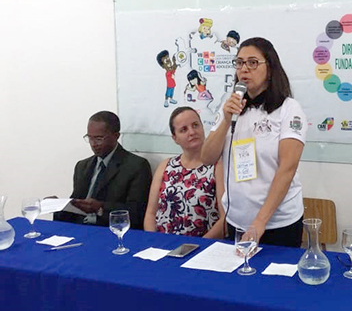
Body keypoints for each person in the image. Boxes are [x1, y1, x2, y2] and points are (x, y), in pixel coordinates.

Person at [200, 37, 307, 247]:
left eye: (253, 62)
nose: (244, 69)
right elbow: (207, 158)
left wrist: (259, 223)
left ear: (270, 69)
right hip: (236, 220)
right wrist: (226, 119)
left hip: (277, 223)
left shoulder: (288, 109)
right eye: (239, 63)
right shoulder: (231, 107)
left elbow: (287, 169)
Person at [54, 111, 152, 229]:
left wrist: (100, 207)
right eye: (89, 138)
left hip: (110, 229)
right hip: (80, 228)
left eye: (99, 138)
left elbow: (137, 213)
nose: (93, 144)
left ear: (116, 136)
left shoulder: (136, 166)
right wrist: (57, 206)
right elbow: (75, 205)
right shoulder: (82, 166)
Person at [144, 107, 224, 238]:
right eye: (184, 129)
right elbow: (151, 214)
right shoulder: (165, 166)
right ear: (175, 138)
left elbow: (224, 219)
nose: (192, 132)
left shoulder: (217, 166)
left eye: (195, 125)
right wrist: (153, 241)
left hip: (202, 244)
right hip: (162, 243)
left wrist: (199, 245)